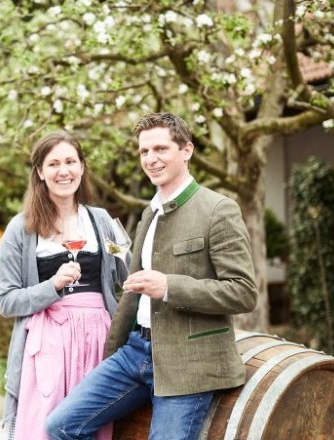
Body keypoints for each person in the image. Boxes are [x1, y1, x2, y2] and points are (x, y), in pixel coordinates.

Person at [45, 113, 258, 440]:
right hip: (135, 352)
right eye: (144, 151)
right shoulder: (150, 212)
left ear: (186, 150)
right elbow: (132, 293)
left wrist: (169, 286)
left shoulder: (218, 209)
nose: (151, 159)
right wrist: (112, 352)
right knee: (60, 426)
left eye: (160, 149)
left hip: (189, 363)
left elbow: (242, 292)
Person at [0, 131, 128, 440]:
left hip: (99, 339)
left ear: (82, 167)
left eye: (71, 161)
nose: (63, 171)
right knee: (48, 427)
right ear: (40, 172)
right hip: (49, 344)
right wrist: (51, 286)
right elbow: (6, 301)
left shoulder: (102, 221)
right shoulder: (21, 229)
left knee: (92, 425)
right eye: (53, 164)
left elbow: (128, 272)